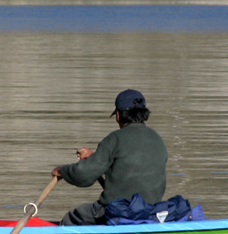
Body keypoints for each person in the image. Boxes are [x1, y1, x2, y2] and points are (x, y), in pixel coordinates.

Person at [52, 89, 168, 226]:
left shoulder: (114, 139)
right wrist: (95, 157)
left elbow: (83, 175)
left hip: (118, 211)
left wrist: (62, 171)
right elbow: (128, 164)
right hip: (150, 212)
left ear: (118, 115)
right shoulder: (158, 139)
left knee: (71, 218)